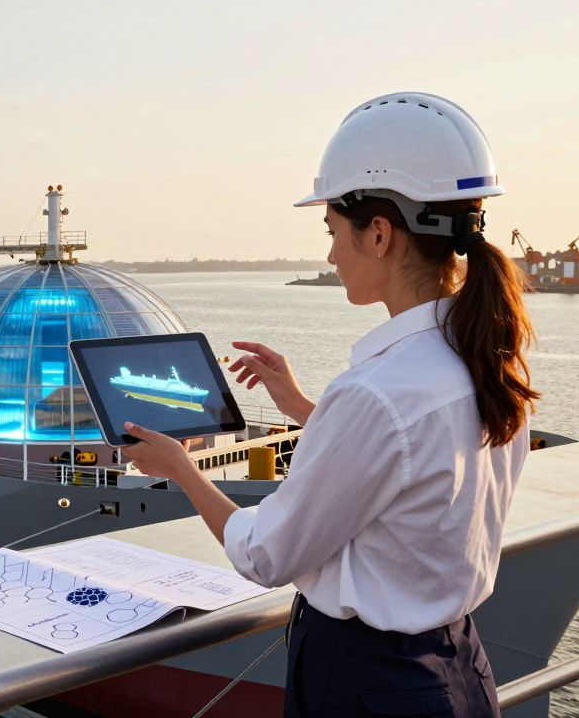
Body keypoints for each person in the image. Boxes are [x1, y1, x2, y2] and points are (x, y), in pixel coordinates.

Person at [123, 92, 538, 717]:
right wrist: (300, 406)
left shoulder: (376, 392)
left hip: (368, 684)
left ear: (378, 234)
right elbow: (413, 465)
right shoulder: (487, 357)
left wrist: (180, 468)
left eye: (332, 232)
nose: (329, 254)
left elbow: (266, 556)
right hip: (457, 669)